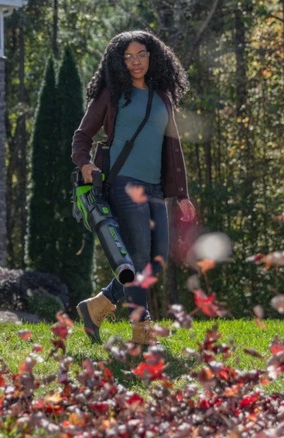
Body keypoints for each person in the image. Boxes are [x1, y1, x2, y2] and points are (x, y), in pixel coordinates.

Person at [71, 30, 196, 345]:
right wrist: (85, 164)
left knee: (153, 260)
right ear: (119, 62)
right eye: (128, 57)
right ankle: (143, 332)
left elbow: (173, 146)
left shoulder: (162, 95)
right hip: (124, 183)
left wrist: (181, 194)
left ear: (152, 56)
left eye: (141, 54)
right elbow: (82, 137)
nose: (135, 61)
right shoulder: (112, 95)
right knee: (137, 258)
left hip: (155, 187)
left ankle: (96, 307)